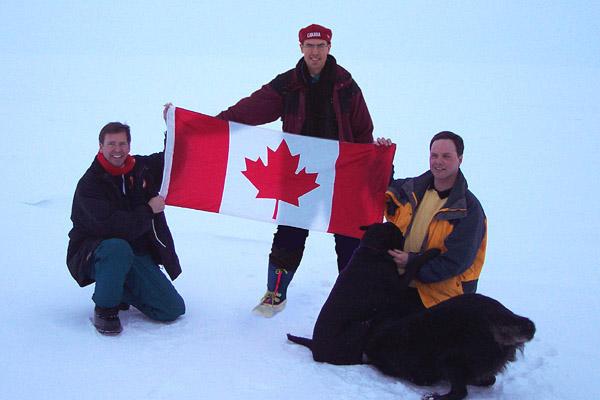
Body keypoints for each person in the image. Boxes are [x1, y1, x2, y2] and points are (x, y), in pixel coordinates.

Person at [214, 23, 374, 316]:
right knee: (289, 233)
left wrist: (369, 168)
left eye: (321, 46)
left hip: (341, 174)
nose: (315, 52)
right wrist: (214, 125)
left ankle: (352, 299)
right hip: (299, 173)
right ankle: (275, 292)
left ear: (329, 48)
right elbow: (250, 109)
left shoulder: (346, 85)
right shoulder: (288, 84)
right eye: (310, 46)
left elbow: (363, 131)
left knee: (350, 236)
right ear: (301, 48)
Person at [67, 122, 185, 335]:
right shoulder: (90, 184)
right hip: (94, 253)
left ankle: (118, 286)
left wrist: (173, 126)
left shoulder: (140, 169)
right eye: (111, 143)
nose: (117, 149)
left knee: (172, 309)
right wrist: (149, 210)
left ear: (129, 146)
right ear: (100, 146)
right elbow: (114, 227)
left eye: (122, 143)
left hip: (134, 253)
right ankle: (105, 308)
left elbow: (171, 160)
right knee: (117, 248)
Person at [382, 131, 487, 314]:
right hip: (400, 286)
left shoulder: (469, 211)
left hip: (440, 301)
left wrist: (412, 263)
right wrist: (381, 157)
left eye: (446, 156)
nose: (438, 161)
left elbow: (456, 261)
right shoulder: (410, 190)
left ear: (460, 159)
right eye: (434, 155)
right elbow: (379, 187)